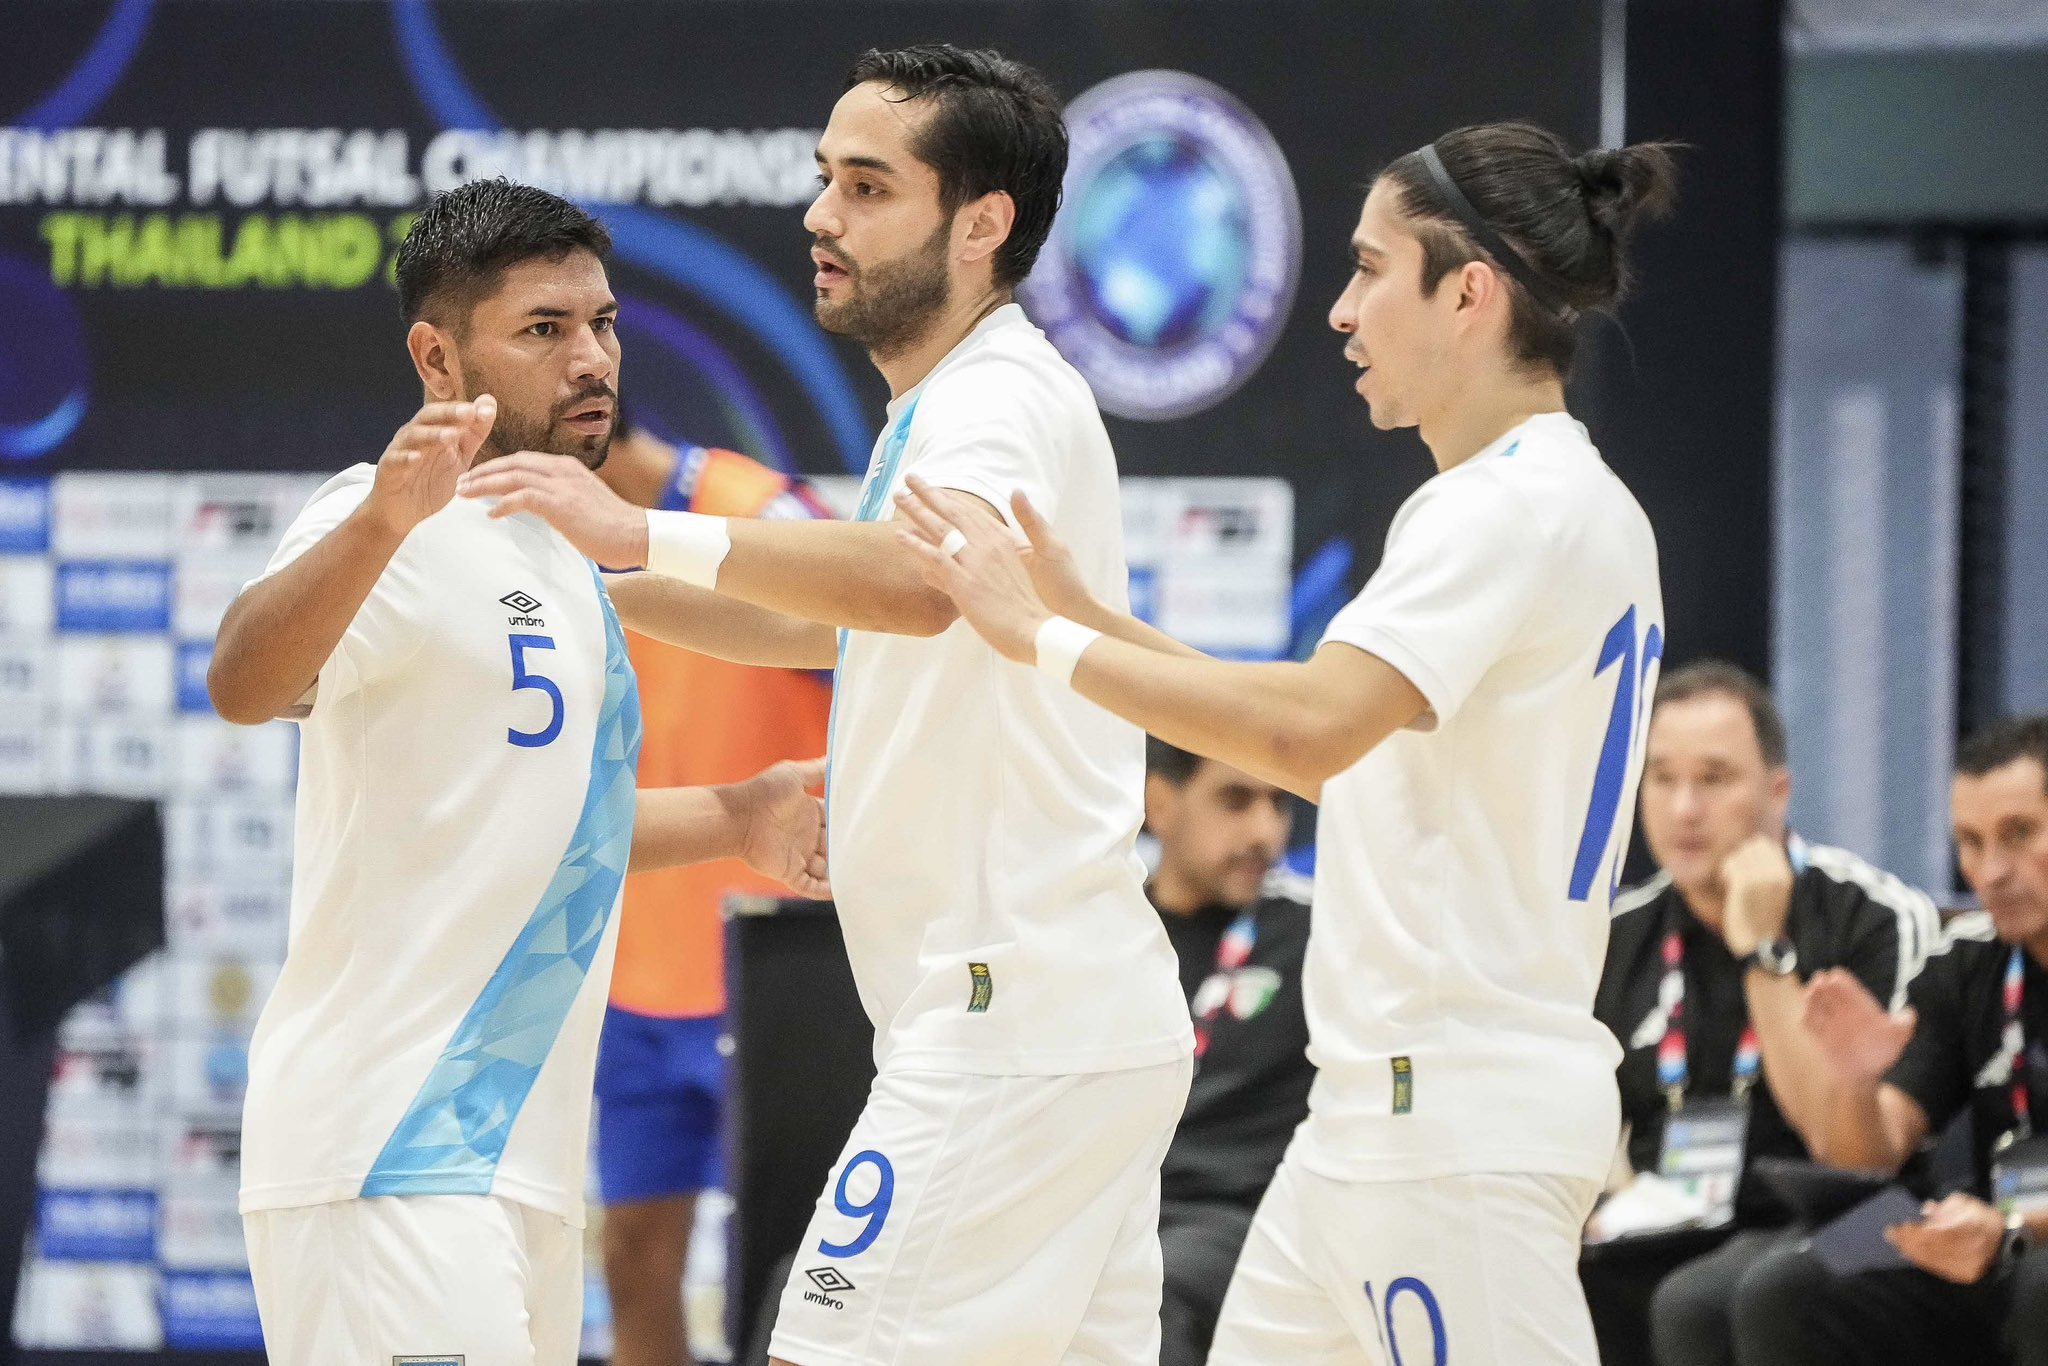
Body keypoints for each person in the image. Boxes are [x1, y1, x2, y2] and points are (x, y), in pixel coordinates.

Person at [455, 46, 1193, 1366]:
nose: (819, 215)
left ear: (983, 225)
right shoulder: (950, 404)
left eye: (865, 186)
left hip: (1005, 1019)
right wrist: (594, 588)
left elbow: (911, 586)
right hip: (1059, 1017)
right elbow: (820, 614)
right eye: (822, 179)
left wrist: (636, 526)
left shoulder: (995, 398)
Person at [896, 121, 1678, 1365]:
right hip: (1372, 1119)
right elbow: (1319, 719)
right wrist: (1076, 615)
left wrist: (1031, 637)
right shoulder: (1541, 494)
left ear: (1467, 292)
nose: (1339, 309)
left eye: (1370, 268)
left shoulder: (1503, 506)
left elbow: (1306, 739)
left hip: (1450, 1119)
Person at [206, 180, 828, 1366]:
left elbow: (552, 825)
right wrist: (380, 523)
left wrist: (740, 813)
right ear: (437, 359)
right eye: (545, 329)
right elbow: (242, 681)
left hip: (516, 1164)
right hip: (386, 1151)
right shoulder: (379, 516)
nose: (592, 357)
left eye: (602, 323)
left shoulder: (564, 559)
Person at [1585, 661, 1940, 1365]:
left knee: (1724, 1295)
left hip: (1868, 1215)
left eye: (1714, 779)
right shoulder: (1618, 933)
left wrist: (1765, 952)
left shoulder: (1871, 916)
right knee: (1564, 1274)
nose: (1684, 808)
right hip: (1680, 1218)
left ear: (1777, 793)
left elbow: (1848, 1154)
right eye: (1662, 778)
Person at [1693, 714, 2048, 1366]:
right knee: (1788, 1284)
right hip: (1991, 1232)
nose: (1990, 871)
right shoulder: (1968, 962)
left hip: (2022, 1238)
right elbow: (1869, 1155)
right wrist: (1855, 1081)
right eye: (1969, 842)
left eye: (2019, 835)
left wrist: (2016, 1228)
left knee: (2040, 1288)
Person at [591, 418, 834, 1366]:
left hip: (779, 976)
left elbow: (880, 667)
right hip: (629, 981)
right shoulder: (542, 559)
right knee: (633, 1259)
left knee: (793, 1282)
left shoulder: (761, 514)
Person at [1143, 739, 1315, 1366]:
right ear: (1157, 803)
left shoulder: (1320, 934)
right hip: (1103, 1207)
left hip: (1238, 1220)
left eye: (1279, 803)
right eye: (1236, 800)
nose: (1264, 832)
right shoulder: (1099, 934)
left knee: (1145, 1296)